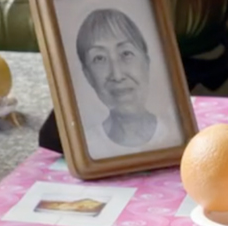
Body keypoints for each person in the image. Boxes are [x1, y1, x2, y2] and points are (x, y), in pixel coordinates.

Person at [74, 8, 173, 152]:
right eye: (99, 58)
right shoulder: (87, 147)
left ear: (146, 62)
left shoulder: (175, 135)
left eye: (126, 53)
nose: (117, 75)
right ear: (88, 75)